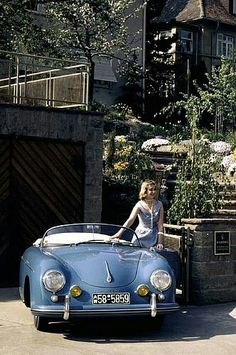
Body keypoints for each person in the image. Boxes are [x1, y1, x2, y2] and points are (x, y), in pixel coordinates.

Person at [112, 179, 164, 249]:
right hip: (140, 236)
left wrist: (160, 242)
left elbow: (160, 225)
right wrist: (119, 233)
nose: (153, 192)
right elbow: (130, 220)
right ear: (145, 191)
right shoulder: (139, 205)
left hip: (153, 237)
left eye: (155, 189)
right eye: (151, 190)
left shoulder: (159, 204)